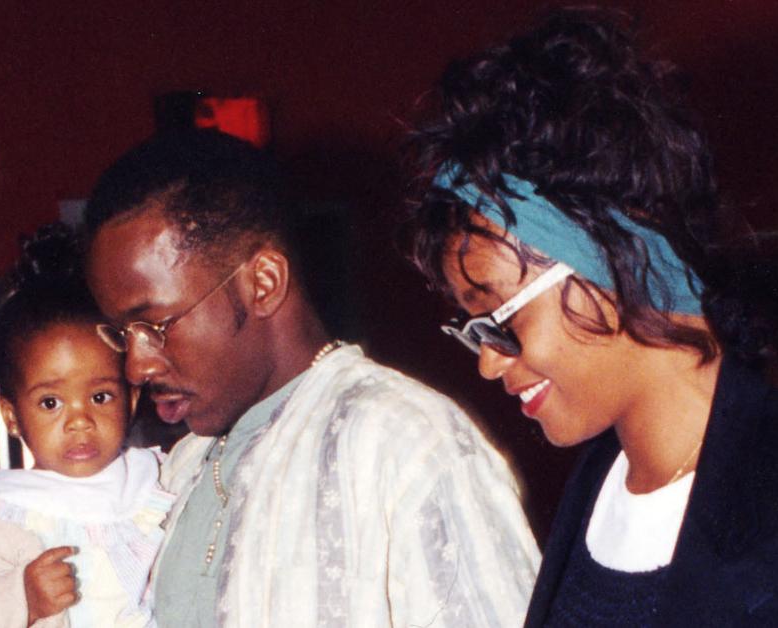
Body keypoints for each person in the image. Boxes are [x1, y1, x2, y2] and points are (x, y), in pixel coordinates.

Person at [403, 8, 778, 626]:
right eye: (472, 330)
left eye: (497, 318)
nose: (486, 361)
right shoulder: (591, 493)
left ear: (616, 257)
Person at [81, 129, 540, 627]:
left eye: (155, 325)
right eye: (124, 334)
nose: (136, 366)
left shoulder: (403, 440)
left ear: (263, 283)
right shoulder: (178, 470)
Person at [0, 225, 174, 627]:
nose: (80, 421)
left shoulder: (155, 483)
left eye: (100, 397)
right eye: (51, 402)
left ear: (131, 399)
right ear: (12, 415)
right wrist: (21, 600)